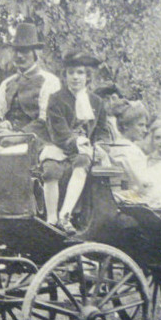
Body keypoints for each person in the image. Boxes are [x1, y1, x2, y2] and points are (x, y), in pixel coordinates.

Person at [39, 51, 111, 233]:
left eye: (80, 73)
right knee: (50, 169)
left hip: (83, 150)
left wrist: (101, 145)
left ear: (87, 76)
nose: (75, 77)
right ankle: (52, 218)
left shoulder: (97, 102)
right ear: (65, 76)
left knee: (82, 161)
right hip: (61, 145)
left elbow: (102, 130)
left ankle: (65, 215)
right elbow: (57, 129)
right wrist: (74, 141)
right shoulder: (56, 99)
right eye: (71, 73)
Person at [0, 22, 60, 154]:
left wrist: (18, 137)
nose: (19, 56)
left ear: (35, 53)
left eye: (24, 51)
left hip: (37, 143)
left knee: (7, 157)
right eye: (16, 50)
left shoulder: (49, 81)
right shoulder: (7, 83)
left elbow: (46, 121)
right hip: (7, 142)